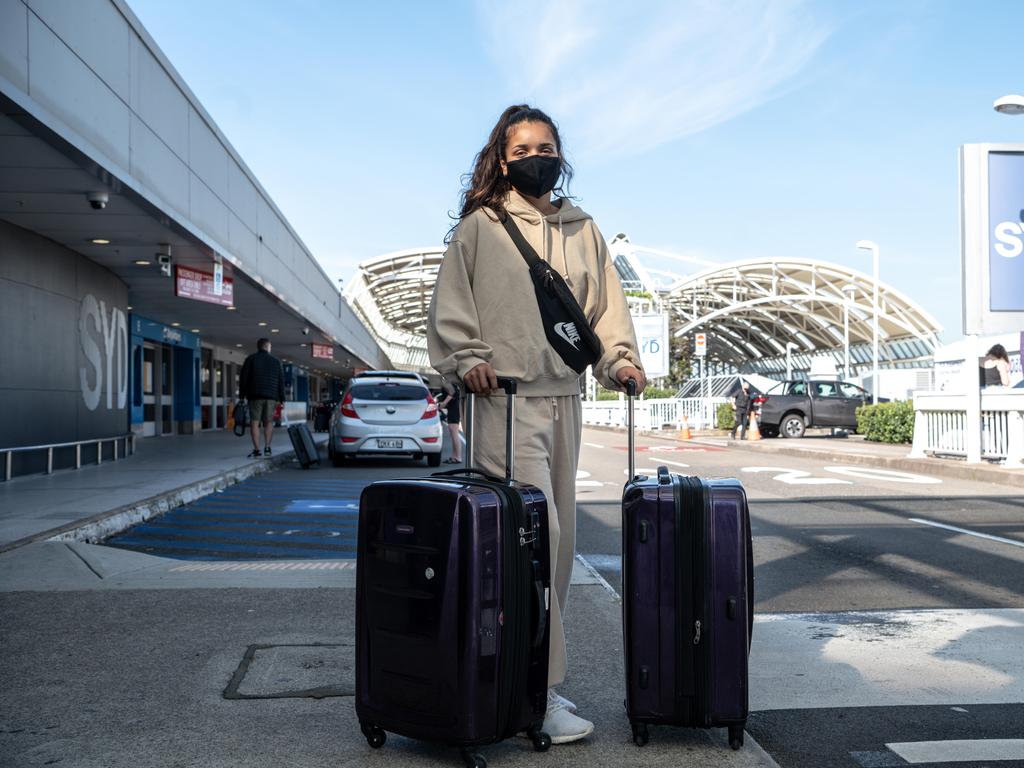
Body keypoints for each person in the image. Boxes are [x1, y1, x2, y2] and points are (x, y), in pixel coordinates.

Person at [427, 104, 645, 744]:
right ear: (502, 159)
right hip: (505, 400)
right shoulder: (480, 227)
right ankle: (532, 692)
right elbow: (451, 307)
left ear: (561, 155)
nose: (536, 158)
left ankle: (531, 683)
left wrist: (622, 363)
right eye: (522, 150)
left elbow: (602, 311)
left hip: (565, 401)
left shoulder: (584, 230)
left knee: (560, 544)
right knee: (532, 538)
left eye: (545, 147)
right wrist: (468, 358)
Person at [239, 338, 285, 458]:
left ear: (258, 347)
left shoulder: (251, 359)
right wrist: (282, 399)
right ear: (267, 347)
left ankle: (256, 450)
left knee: (255, 422)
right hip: (271, 397)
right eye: (270, 346)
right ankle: (268, 448)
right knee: (268, 422)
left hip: (254, 396)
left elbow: (244, 379)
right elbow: (281, 381)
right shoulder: (276, 361)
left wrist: (241, 396)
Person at [438, 379, 463, 464]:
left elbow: (452, 393)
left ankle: (458, 457)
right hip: (454, 408)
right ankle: (454, 456)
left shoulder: (447, 381)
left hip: (454, 409)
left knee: (454, 432)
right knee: (453, 433)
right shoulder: (452, 382)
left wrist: (444, 403)